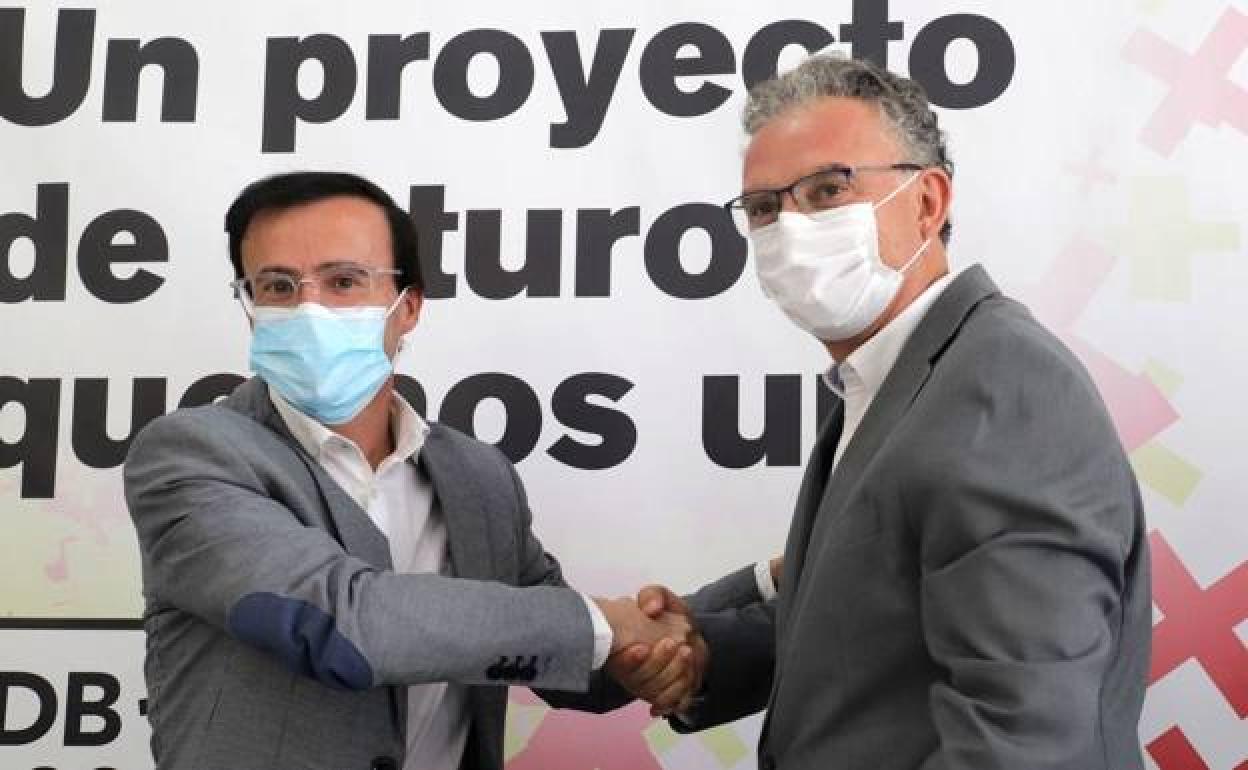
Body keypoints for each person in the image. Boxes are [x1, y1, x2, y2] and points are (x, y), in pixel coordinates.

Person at [618, 54, 1152, 769]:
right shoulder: (891, 378)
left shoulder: (1002, 388)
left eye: (828, 189)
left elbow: (1023, 733)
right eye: (765, 208)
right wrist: (705, 657)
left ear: (928, 202)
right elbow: (874, 621)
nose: (790, 228)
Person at [123, 171, 698, 770]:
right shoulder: (189, 455)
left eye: (344, 281)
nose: (309, 310)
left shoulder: (479, 478)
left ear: (410, 307)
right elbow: (339, 623)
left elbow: (573, 657)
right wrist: (604, 625)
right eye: (278, 286)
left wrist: (712, 618)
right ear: (250, 306)